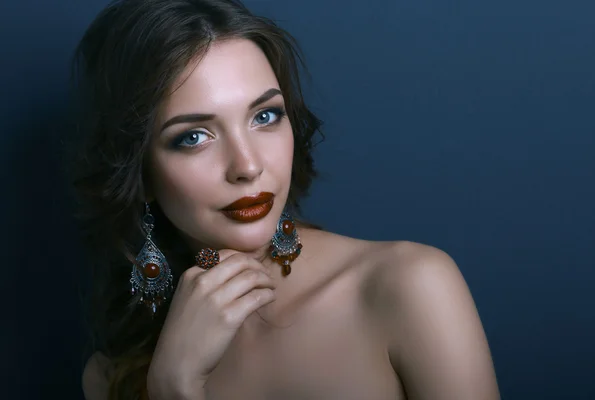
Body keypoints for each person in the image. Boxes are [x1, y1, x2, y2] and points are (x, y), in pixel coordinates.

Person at [71, 0, 500, 399]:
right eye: (194, 136)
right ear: (138, 171)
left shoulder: (408, 287)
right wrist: (173, 383)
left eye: (265, 116)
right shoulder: (112, 376)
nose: (247, 165)